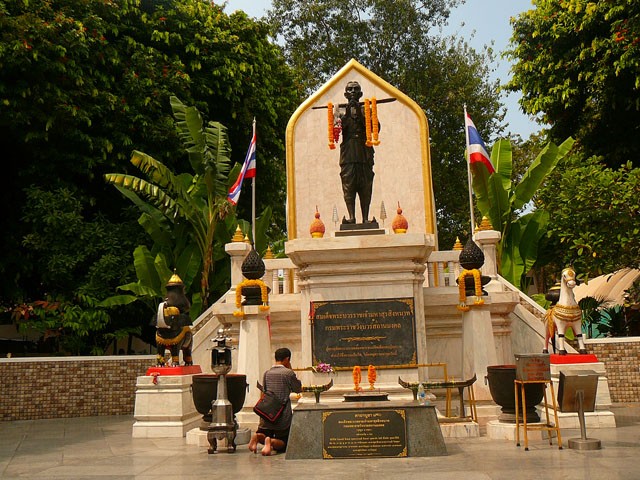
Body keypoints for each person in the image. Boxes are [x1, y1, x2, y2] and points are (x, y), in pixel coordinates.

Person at [248, 347, 302, 455]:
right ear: (287, 359)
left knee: (265, 431)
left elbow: (265, 390)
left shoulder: (267, 373)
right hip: (282, 413)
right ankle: (271, 442)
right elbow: (297, 388)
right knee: (284, 442)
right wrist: (290, 370)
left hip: (267, 410)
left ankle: (257, 437)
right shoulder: (288, 373)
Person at [339, 81, 378, 225]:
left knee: (365, 185)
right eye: (350, 90)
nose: (353, 92)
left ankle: (366, 218)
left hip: (364, 152)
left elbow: (375, 128)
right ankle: (351, 217)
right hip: (348, 153)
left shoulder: (367, 110)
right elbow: (338, 130)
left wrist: (361, 114)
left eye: (356, 90)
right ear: (345, 94)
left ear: (361, 94)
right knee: (349, 185)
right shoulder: (340, 111)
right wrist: (348, 112)